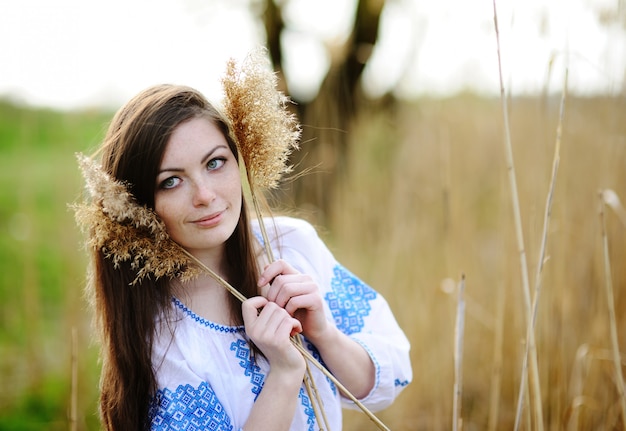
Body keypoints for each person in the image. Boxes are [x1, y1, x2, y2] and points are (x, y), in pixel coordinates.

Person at [81, 83, 412, 430]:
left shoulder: (292, 244)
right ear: (137, 204)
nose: (206, 195)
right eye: (171, 182)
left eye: (215, 162)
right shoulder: (163, 339)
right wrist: (285, 372)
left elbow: (389, 381)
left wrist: (324, 334)